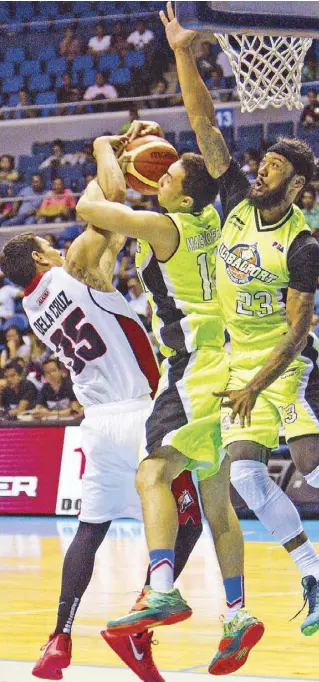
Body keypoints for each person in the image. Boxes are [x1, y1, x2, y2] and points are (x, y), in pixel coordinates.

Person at [0, 137, 203, 682]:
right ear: (45, 257)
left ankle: (57, 641)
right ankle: (138, 623)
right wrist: (105, 146)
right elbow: (107, 198)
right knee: (190, 523)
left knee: (90, 530)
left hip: (95, 426)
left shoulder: (37, 306)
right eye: (51, 241)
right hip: (141, 414)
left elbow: (106, 224)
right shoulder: (77, 267)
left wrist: (118, 152)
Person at [159, 0, 319, 639]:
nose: (261, 170)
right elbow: (204, 127)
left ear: (300, 187)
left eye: (275, 168)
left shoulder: (304, 247)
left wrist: (257, 383)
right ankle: (311, 573)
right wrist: (181, 53)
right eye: (263, 164)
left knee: (309, 457)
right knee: (248, 473)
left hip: (290, 361)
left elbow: (299, 329)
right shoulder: (234, 204)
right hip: (240, 359)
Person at [77, 136, 264, 672]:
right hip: (232, 370)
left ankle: (161, 588)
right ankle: (236, 616)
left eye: (167, 181)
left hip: (193, 367)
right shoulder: (215, 222)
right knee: (217, 503)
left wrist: (102, 146)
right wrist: (145, 158)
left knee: (152, 477)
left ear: (184, 200)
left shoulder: (167, 227)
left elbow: (90, 208)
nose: (159, 183)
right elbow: (144, 192)